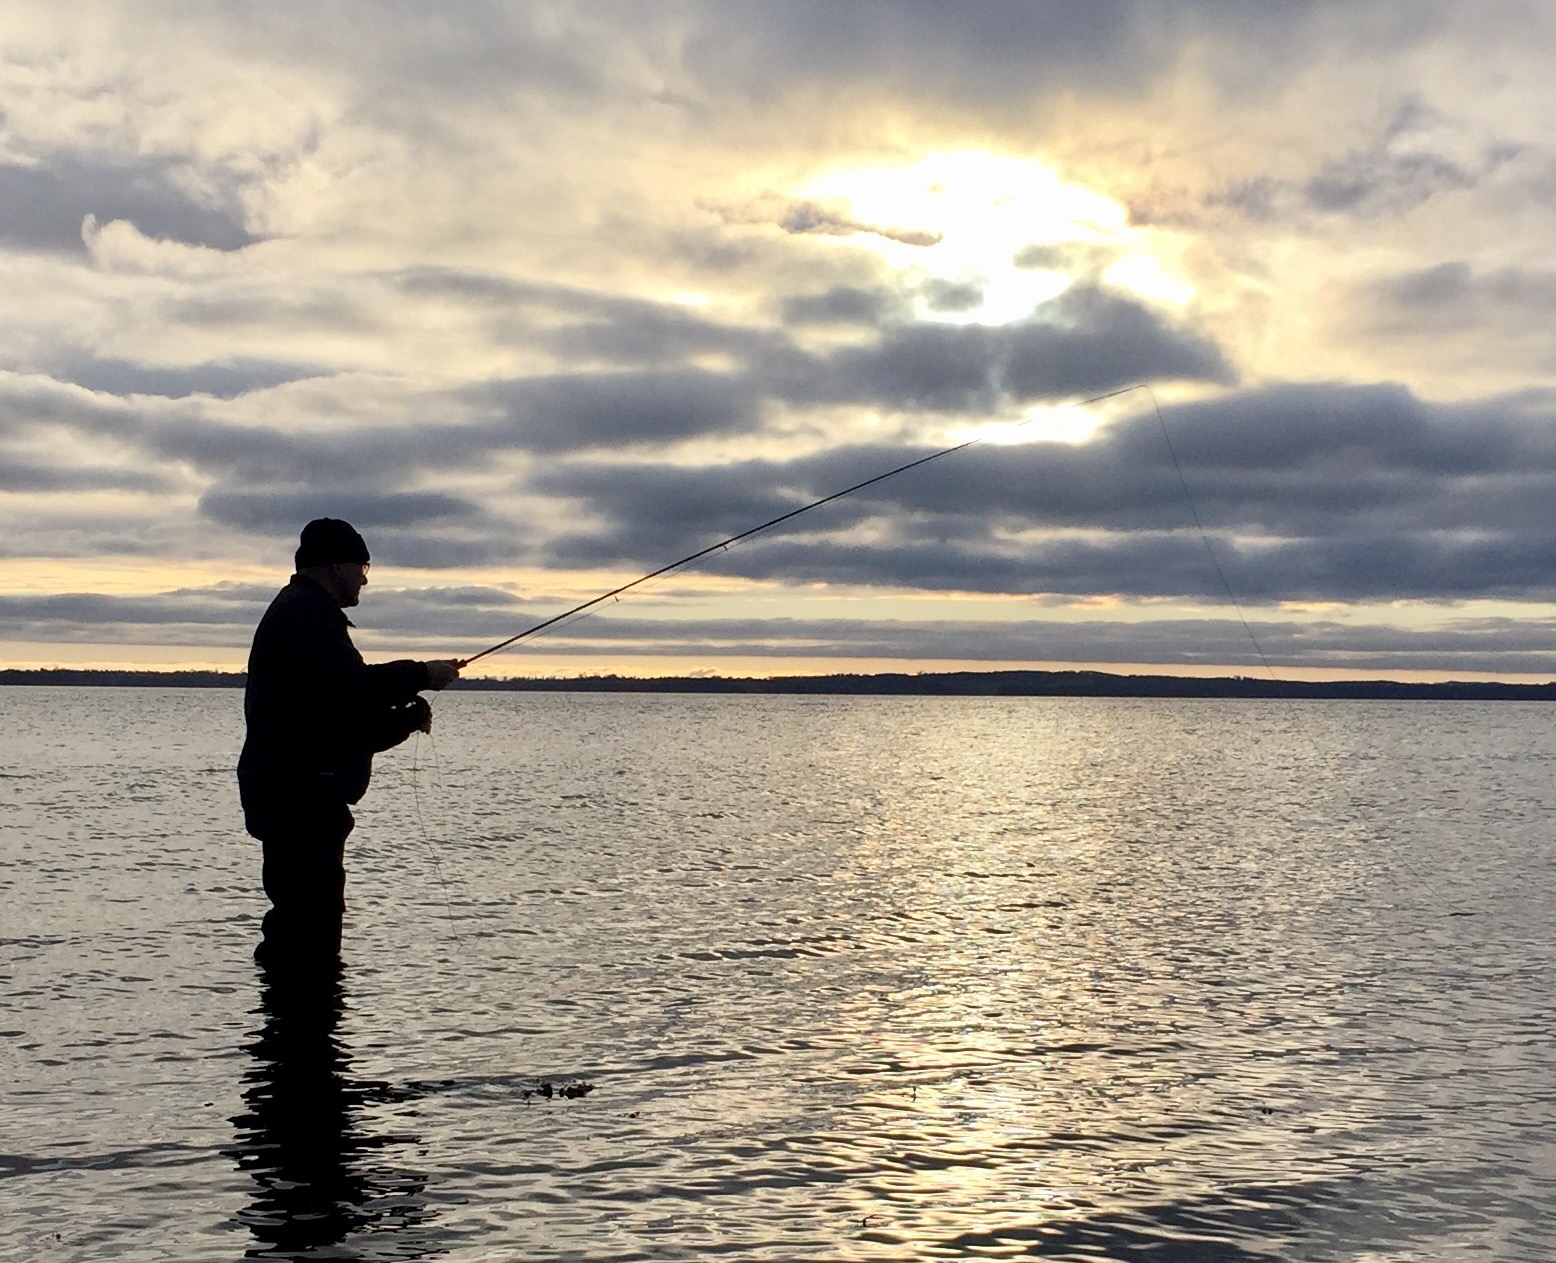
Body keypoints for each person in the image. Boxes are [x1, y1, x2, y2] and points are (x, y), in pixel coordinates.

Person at [238, 518, 461, 963]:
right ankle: (299, 1003)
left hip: (297, 795)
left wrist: (406, 719)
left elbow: (336, 716)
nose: (364, 578)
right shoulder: (306, 614)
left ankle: (292, 1003)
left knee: (304, 925)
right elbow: (351, 689)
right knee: (308, 930)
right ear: (336, 566)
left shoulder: (304, 611)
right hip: (299, 800)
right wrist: (421, 674)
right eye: (362, 566)